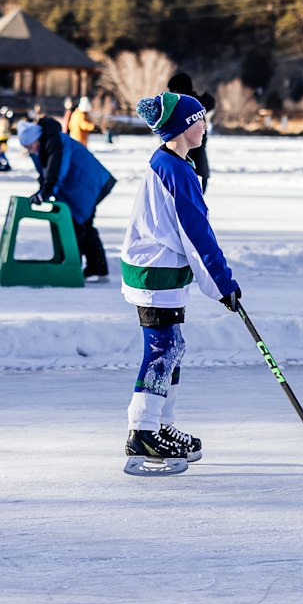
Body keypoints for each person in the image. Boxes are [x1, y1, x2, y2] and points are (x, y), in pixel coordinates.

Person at [119, 90, 239, 475]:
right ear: (185, 126)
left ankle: (160, 424)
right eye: (200, 120)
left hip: (161, 270)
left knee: (172, 349)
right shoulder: (175, 170)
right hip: (154, 272)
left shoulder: (174, 164)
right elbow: (197, 235)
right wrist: (222, 284)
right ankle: (142, 430)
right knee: (162, 350)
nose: (205, 126)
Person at [18, 114, 117, 282]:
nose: (30, 150)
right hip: (76, 188)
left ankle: (83, 269)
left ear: (37, 139)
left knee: (80, 225)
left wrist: (46, 191)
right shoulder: (41, 147)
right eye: (26, 147)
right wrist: (43, 190)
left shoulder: (57, 142)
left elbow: (57, 170)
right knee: (78, 225)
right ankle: (90, 268)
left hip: (89, 184)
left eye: (30, 146)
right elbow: (45, 173)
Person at [167, 72, 213, 193]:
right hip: (198, 167)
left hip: (193, 168)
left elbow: (190, 143)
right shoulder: (195, 107)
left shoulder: (189, 111)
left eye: (173, 91)